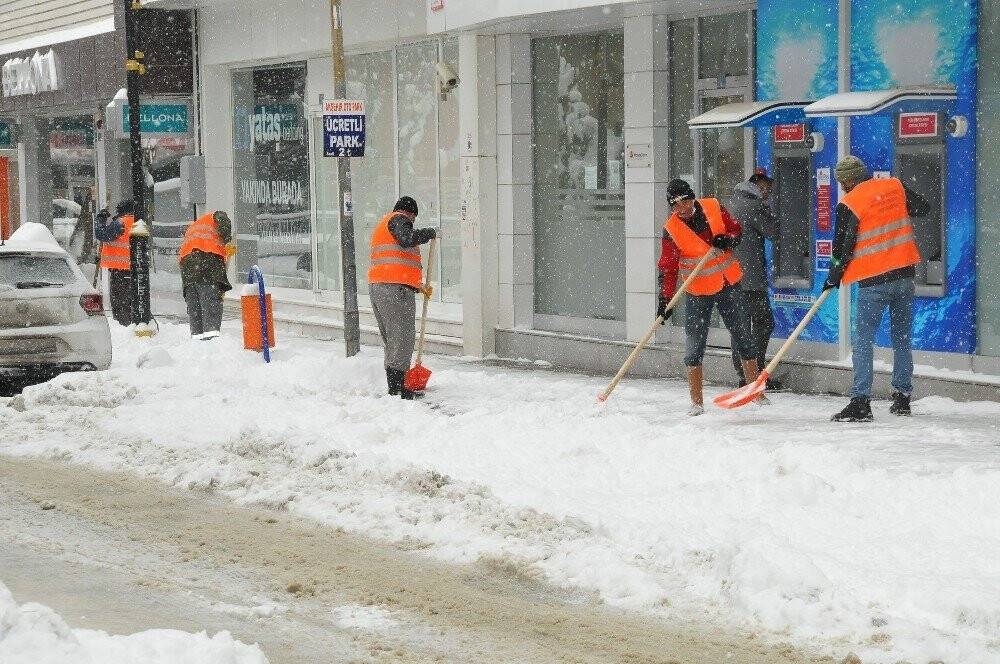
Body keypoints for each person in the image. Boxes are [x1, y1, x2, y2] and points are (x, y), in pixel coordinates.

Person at [824, 156, 930, 422]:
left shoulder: (850, 203)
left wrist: (833, 276)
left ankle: (861, 402)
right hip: (905, 275)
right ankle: (903, 398)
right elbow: (923, 207)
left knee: (863, 342)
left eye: (841, 182)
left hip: (874, 281)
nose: (842, 186)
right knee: (901, 338)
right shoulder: (894, 186)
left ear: (848, 180)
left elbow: (841, 248)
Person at [658, 179, 762, 416]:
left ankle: (755, 391)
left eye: (685, 201)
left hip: (728, 283)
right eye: (675, 204)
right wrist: (665, 299)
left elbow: (736, 229)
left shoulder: (713, 206)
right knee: (694, 344)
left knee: (743, 335)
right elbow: (668, 267)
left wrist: (729, 240)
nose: (682, 208)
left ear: (692, 197)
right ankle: (696, 402)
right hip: (698, 292)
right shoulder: (671, 229)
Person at [368, 196, 436, 399]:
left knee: (393, 339)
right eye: (413, 219)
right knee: (402, 338)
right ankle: (398, 388)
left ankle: (395, 385)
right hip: (394, 291)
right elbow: (406, 239)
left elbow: (399, 263)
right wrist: (428, 233)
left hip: (384, 287)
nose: (412, 224)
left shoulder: (385, 224)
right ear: (410, 213)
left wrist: (418, 287)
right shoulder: (398, 219)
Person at [729, 169, 778, 387]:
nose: (769, 192)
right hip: (750, 280)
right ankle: (753, 375)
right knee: (764, 323)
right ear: (758, 184)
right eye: (768, 187)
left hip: (731, 277)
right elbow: (774, 231)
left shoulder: (732, 202)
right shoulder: (754, 206)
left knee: (740, 326)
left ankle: (744, 375)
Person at [179, 211, 233, 339]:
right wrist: (228, 240)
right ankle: (211, 343)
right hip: (205, 267)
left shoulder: (194, 228)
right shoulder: (216, 215)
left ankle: (197, 345)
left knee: (195, 310)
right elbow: (223, 223)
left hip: (188, 272)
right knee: (210, 307)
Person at [94, 199, 135, 326]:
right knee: (131, 301)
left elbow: (102, 234)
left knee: (120, 302)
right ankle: (131, 323)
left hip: (121, 271)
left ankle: (123, 326)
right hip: (134, 270)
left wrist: (100, 220)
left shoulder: (121, 222)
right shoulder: (138, 223)